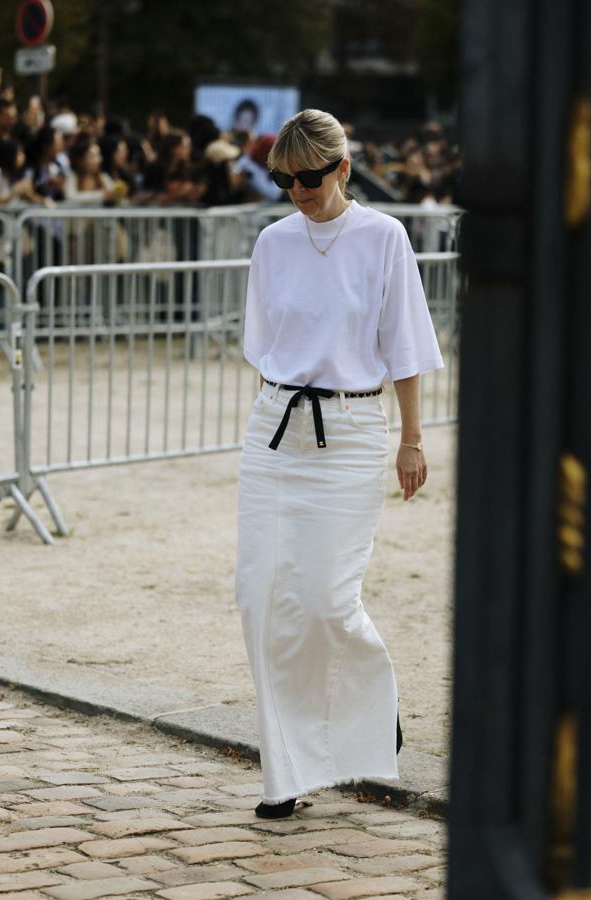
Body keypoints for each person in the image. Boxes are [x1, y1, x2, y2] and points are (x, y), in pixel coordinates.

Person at [235, 108, 444, 819]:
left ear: (343, 168)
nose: (298, 189)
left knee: (326, 600)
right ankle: (284, 773)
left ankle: (371, 703)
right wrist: (265, 419)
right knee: (260, 598)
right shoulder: (272, 242)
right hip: (274, 432)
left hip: (352, 431)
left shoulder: (383, 238)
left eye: (311, 177)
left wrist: (410, 439)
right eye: (286, 179)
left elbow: (408, 344)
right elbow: (263, 344)